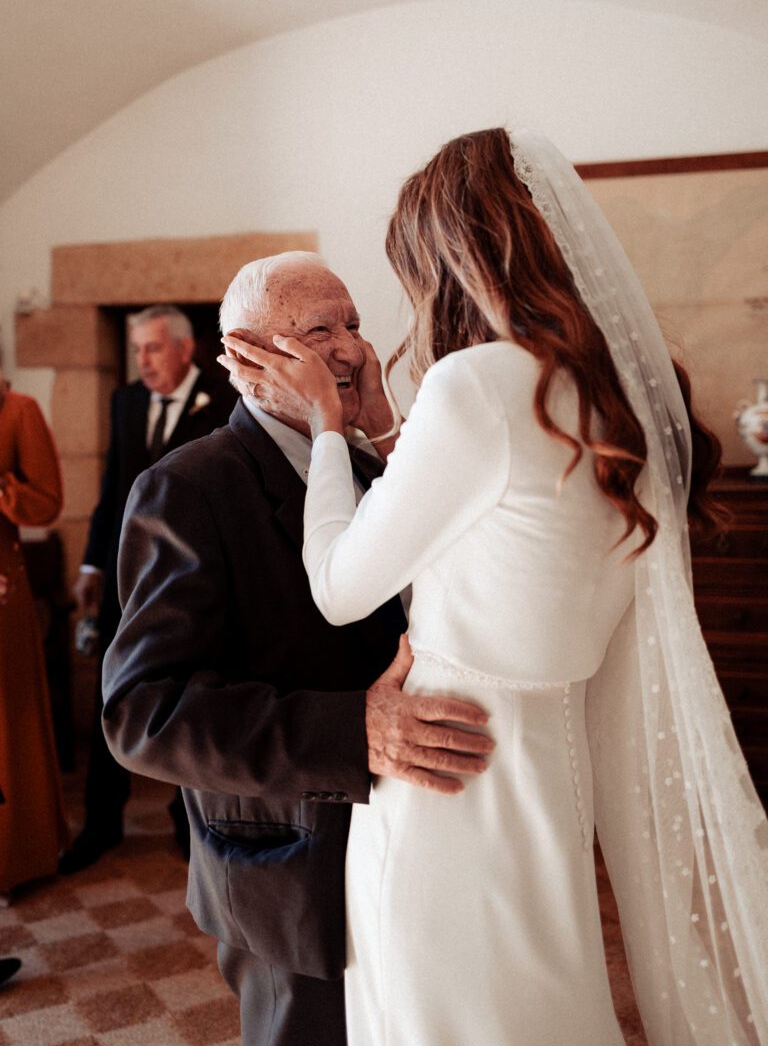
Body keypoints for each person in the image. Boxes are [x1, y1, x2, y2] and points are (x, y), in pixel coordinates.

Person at [220, 129, 768, 1045]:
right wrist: (389, 429)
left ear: (451, 257)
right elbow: (494, 523)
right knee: (540, 1001)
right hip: (551, 764)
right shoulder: (614, 395)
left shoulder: (473, 385)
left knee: (443, 1010)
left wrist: (324, 427)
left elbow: (340, 590)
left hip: (446, 778)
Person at [101, 253, 493, 1046]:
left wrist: (381, 434)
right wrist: (355, 731)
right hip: (289, 858)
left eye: (353, 323)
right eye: (322, 330)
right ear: (249, 355)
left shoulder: (375, 464)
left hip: (410, 843)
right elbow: (142, 712)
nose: (352, 348)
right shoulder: (190, 487)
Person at [61, 304, 236, 874]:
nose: (143, 361)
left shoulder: (224, 395)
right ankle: (101, 822)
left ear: (185, 349)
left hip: (193, 577)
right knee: (110, 694)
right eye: (138, 350)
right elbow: (113, 487)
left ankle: (188, 822)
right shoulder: (127, 401)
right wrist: (91, 563)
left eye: (153, 348)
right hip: (124, 576)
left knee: (192, 692)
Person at [0, 369, 69, 898]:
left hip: (3, 590)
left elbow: (46, 501)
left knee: (8, 725)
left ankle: (15, 855)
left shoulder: (17, 410)